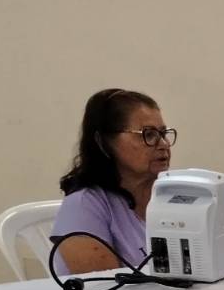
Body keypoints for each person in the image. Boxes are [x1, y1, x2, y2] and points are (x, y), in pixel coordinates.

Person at [52, 89, 174, 274]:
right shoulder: (82, 206)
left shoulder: (171, 197)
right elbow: (104, 286)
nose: (164, 144)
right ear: (104, 142)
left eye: (163, 133)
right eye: (148, 134)